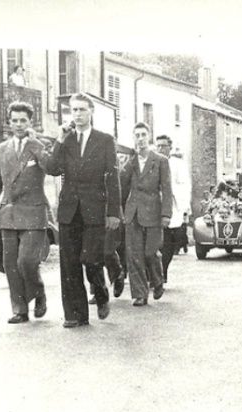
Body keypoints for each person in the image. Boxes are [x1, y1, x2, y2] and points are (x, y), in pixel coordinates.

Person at [43, 92, 121, 328]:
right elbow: (52, 169)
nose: (77, 115)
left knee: (91, 258)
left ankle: (100, 293)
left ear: (91, 112)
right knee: (69, 263)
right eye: (73, 110)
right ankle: (75, 314)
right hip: (69, 209)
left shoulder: (105, 140)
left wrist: (113, 212)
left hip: (95, 209)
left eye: (81, 110)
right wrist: (58, 139)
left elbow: (112, 177)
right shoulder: (65, 141)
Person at [0, 101, 50, 324]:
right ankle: (20, 309)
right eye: (15, 120)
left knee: (27, 262)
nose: (19, 124)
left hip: (33, 213)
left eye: (23, 120)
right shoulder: (1, 150)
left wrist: (37, 144)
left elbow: (52, 167)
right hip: (9, 213)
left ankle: (38, 291)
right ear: (9, 122)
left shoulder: (37, 146)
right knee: (11, 265)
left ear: (30, 122)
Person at [120, 122, 172, 306]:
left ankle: (157, 281)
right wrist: (118, 211)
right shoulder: (131, 162)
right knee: (134, 254)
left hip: (153, 212)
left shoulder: (160, 161)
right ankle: (140, 294)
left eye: (143, 135)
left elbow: (166, 189)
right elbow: (122, 186)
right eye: (137, 135)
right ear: (133, 138)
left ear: (149, 137)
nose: (140, 139)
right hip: (133, 212)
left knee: (150, 252)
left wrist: (166, 214)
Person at [156, 135, 189, 284]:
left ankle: (163, 271)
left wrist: (185, 209)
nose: (161, 149)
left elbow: (185, 186)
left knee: (168, 243)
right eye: (158, 146)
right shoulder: (153, 161)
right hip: (155, 206)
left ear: (170, 147)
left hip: (173, 207)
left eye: (164, 146)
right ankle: (156, 274)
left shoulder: (178, 164)